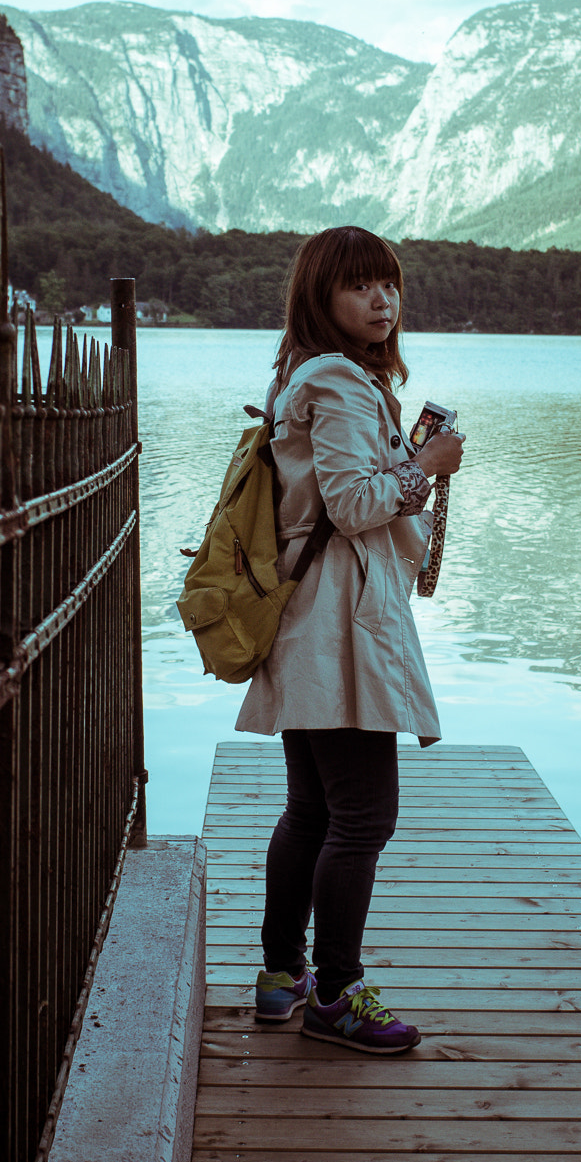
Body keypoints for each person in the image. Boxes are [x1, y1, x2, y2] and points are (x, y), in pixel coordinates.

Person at [235, 225, 464, 1054]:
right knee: (363, 817)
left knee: (312, 809)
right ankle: (336, 994)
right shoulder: (333, 379)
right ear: (320, 296)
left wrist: (408, 455)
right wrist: (428, 465)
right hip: (338, 626)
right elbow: (351, 505)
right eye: (361, 286)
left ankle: (279, 976)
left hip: (316, 619)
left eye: (390, 285)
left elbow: (346, 490)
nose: (382, 300)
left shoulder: (316, 374)